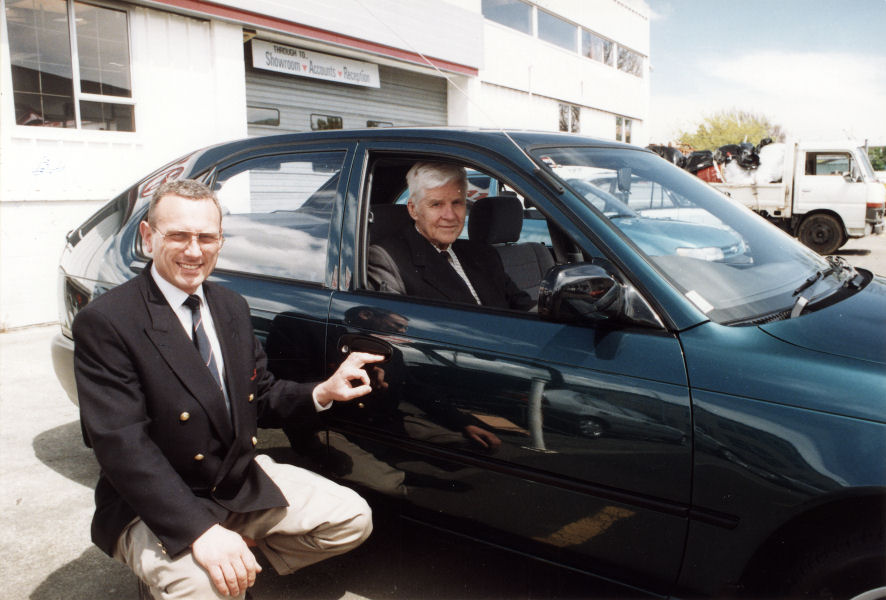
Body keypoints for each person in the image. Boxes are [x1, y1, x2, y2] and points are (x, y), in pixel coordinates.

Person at [72, 179, 383, 599]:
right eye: (178, 235)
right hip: (154, 499)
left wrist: (323, 392)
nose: (194, 251)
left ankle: (236, 563)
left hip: (233, 480)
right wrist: (200, 531)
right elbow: (122, 446)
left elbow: (260, 394)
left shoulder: (229, 307)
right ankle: (201, 574)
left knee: (352, 518)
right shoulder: (108, 321)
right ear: (148, 237)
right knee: (203, 587)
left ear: (221, 240)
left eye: (207, 237)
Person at [367, 162, 532, 310]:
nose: (450, 216)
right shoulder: (387, 259)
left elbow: (524, 307)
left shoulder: (483, 254)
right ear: (413, 209)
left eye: (457, 203)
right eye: (436, 204)